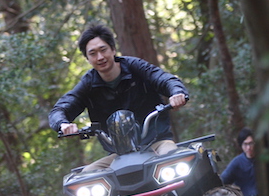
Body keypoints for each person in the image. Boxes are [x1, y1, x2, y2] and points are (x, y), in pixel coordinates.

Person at [48, 23, 188, 171]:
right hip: (119, 155)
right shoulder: (88, 84)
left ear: (113, 49)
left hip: (156, 143)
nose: (100, 57)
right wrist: (63, 125)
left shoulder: (136, 67)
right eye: (93, 53)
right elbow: (60, 109)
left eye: (103, 50)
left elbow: (164, 79)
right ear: (87, 58)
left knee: (172, 159)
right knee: (86, 175)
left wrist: (176, 93)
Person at [221, 127, 258, 196]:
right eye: (245, 144)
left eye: (251, 143)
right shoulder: (237, 163)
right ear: (241, 145)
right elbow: (222, 181)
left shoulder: (263, 158)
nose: (248, 147)